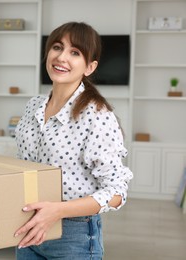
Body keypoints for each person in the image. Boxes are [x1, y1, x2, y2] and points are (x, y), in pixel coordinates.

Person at [13, 22, 133, 259]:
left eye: (75, 52)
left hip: (74, 237)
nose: (61, 57)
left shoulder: (97, 115)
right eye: (57, 47)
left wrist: (56, 211)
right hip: (28, 228)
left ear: (90, 67)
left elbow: (117, 192)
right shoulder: (33, 107)